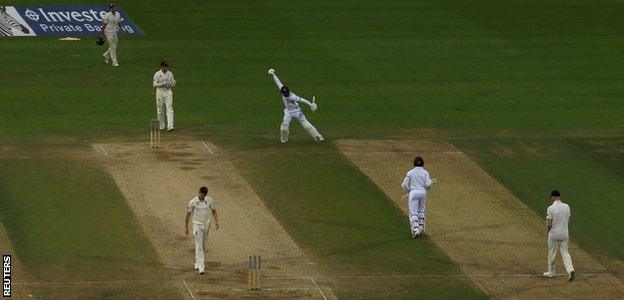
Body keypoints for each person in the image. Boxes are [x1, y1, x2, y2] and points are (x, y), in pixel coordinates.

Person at [267, 68, 324, 143]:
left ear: (288, 91)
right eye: (284, 94)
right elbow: (278, 82)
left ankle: (318, 136)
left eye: (286, 93)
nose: (285, 95)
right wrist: (273, 74)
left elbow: (302, 100)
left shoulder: (293, 97)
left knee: (306, 125)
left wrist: (311, 104)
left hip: (297, 111)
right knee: (284, 125)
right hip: (288, 111)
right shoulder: (283, 90)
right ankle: (284, 139)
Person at [185, 186, 220, 275]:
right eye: (201, 195)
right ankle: (201, 267)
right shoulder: (193, 202)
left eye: (204, 196)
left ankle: (198, 261)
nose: (202, 197)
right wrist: (186, 227)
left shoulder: (209, 200)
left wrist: (216, 222)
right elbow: (188, 215)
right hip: (197, 226)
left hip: (207, 225)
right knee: (199, 246)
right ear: (199, 192)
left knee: (204, 246)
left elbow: (214, 211)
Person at [543, 190, 575, 281]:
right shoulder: (567, 207)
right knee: (565, 253)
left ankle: (551, 272)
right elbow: (567, 219)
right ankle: (570, 270)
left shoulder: (551, 208)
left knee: (552, 253)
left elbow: (549, 223)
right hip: (565, 234)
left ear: (553, 197)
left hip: (554, 234)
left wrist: (547, 233)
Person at [401, 156, 436, 238]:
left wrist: (409, 191)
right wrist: (427, 186)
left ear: (414, 163)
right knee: (421, 210)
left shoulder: (410, 172)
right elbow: (428, 185)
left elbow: (404, 185)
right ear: (423, 163)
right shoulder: (425, 173)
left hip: (413, 192)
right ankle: (421, 228)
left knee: (413, 211)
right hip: (423, 193)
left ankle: (416, 229)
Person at [153, 61, 176, 131]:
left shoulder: (170, 73)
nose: (166, 68)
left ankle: (170, 126)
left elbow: (173, 82)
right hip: (160, 92)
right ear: (161, 67)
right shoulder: (157, 74)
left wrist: (171, 84)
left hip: (168, 92)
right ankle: (161, 126)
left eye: (167, 66)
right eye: (164, 67)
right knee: (160, 109)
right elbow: (154, 84)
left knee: (170, 108)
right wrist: (162, 84)